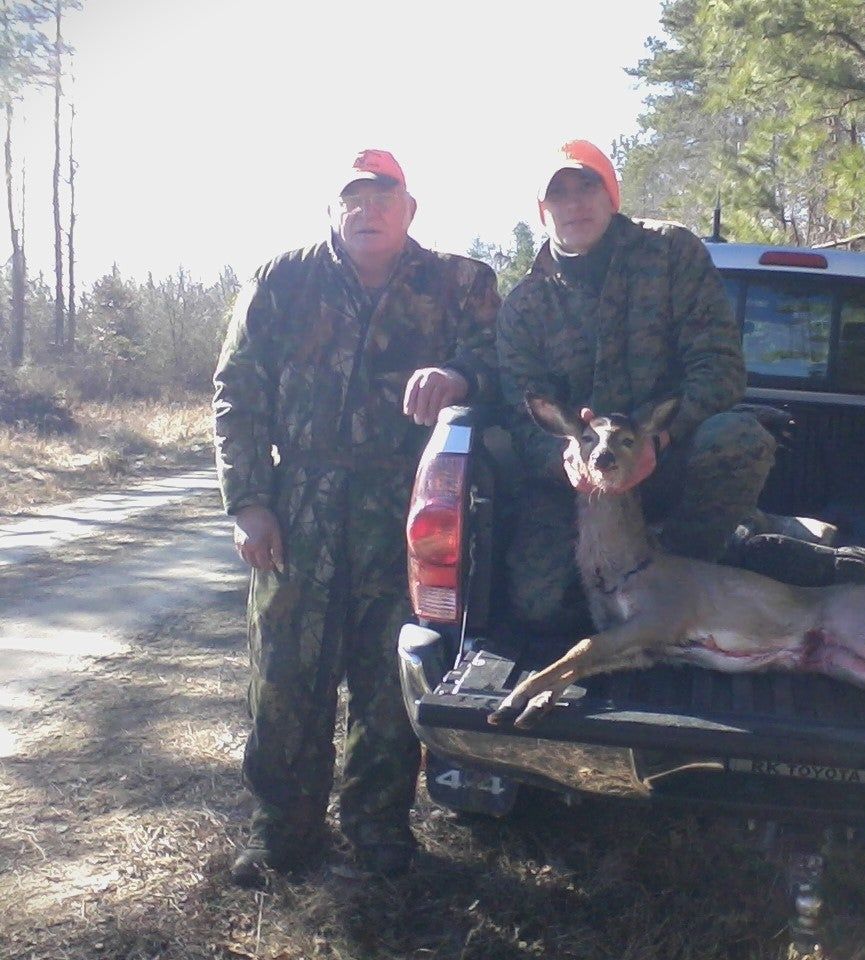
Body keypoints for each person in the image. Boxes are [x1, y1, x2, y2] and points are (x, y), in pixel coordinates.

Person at [212, 148, 500, 886]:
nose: (367, 210)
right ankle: (283, 829)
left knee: (388, 679)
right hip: (299, 504)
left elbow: (509, 362)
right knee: (285, 676)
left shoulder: (462, 284)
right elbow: (237, 393)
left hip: (410, 510)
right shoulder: (283, 280)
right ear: (333, 212)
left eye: (383, 197)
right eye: (353, 198)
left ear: (410, 209)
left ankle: (377, 828)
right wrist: (249, 503)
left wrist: (463, 375)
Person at [497, 139, 775, 629]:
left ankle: (683, 581)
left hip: (666, 465)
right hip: (578, 485)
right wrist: (563, 458)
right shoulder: (524, 304)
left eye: (588, 187)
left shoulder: (671, 252)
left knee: (739, 439)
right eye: (559, 195)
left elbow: (720, 366)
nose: (575, 203)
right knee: (535, 603)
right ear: (542, 211)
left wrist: (659, 439)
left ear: (613, 196)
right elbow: (522, 412)